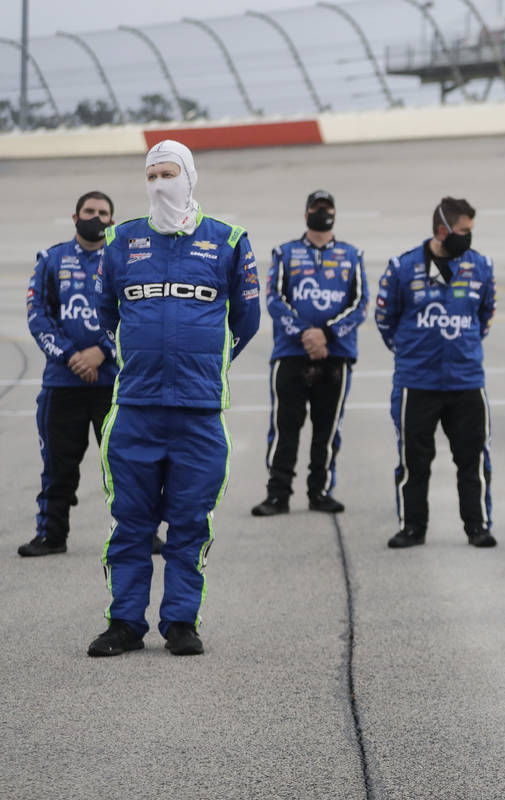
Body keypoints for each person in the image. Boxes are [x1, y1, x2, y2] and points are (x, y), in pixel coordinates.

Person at [88, 139, 260, 658]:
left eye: (170, 173)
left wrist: (206, 361)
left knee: (190, 524)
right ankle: (124, 622)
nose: (161, 183)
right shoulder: (120, 241)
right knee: (130, 524)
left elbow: (247, 321)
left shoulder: (228, 239)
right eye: (152, 175)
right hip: (135, 410)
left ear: (189, 177)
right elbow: (104, 313)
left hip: (201, 412)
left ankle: (181, 621)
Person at [376, 197, 498, 549]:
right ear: (442, 230)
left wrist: (464, 346)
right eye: (463, 231)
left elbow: (485, 315)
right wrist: (412, 353)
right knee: (414, 460)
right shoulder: (403, 266)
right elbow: (385, 319)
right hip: (417, 383)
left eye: (471, 231)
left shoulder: (482, 266)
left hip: (467, 382)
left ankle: (477, 526)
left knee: (472, 459)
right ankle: (413, 527)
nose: (468, 238)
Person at [251, 190, 368, 517]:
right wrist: (305, 333)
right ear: (306, 214)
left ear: (334, 213)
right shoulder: (285, 253)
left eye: (327, 208)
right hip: (291, 353)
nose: (322, 213)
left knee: (327, 428)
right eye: (316, 208)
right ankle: (278, 495)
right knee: (284, 426)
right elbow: (274, 299)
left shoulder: (352, 255)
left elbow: (360, 305)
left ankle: (320, 491)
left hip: (336, 354)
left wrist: (326, 333)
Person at [19, 191, 117, 557]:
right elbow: (37, 315)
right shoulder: (51, 259)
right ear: (75, 217)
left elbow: (136, 317)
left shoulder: (123, 261)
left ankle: (140, 533)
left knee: (124, 465)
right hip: (62, 382)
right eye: (89, 211)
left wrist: (101, 352)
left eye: (103, 212)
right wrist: (72, 356)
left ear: (112, 221)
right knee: (58, 466)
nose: (95, 216)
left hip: (113, 384)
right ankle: (51, 535)